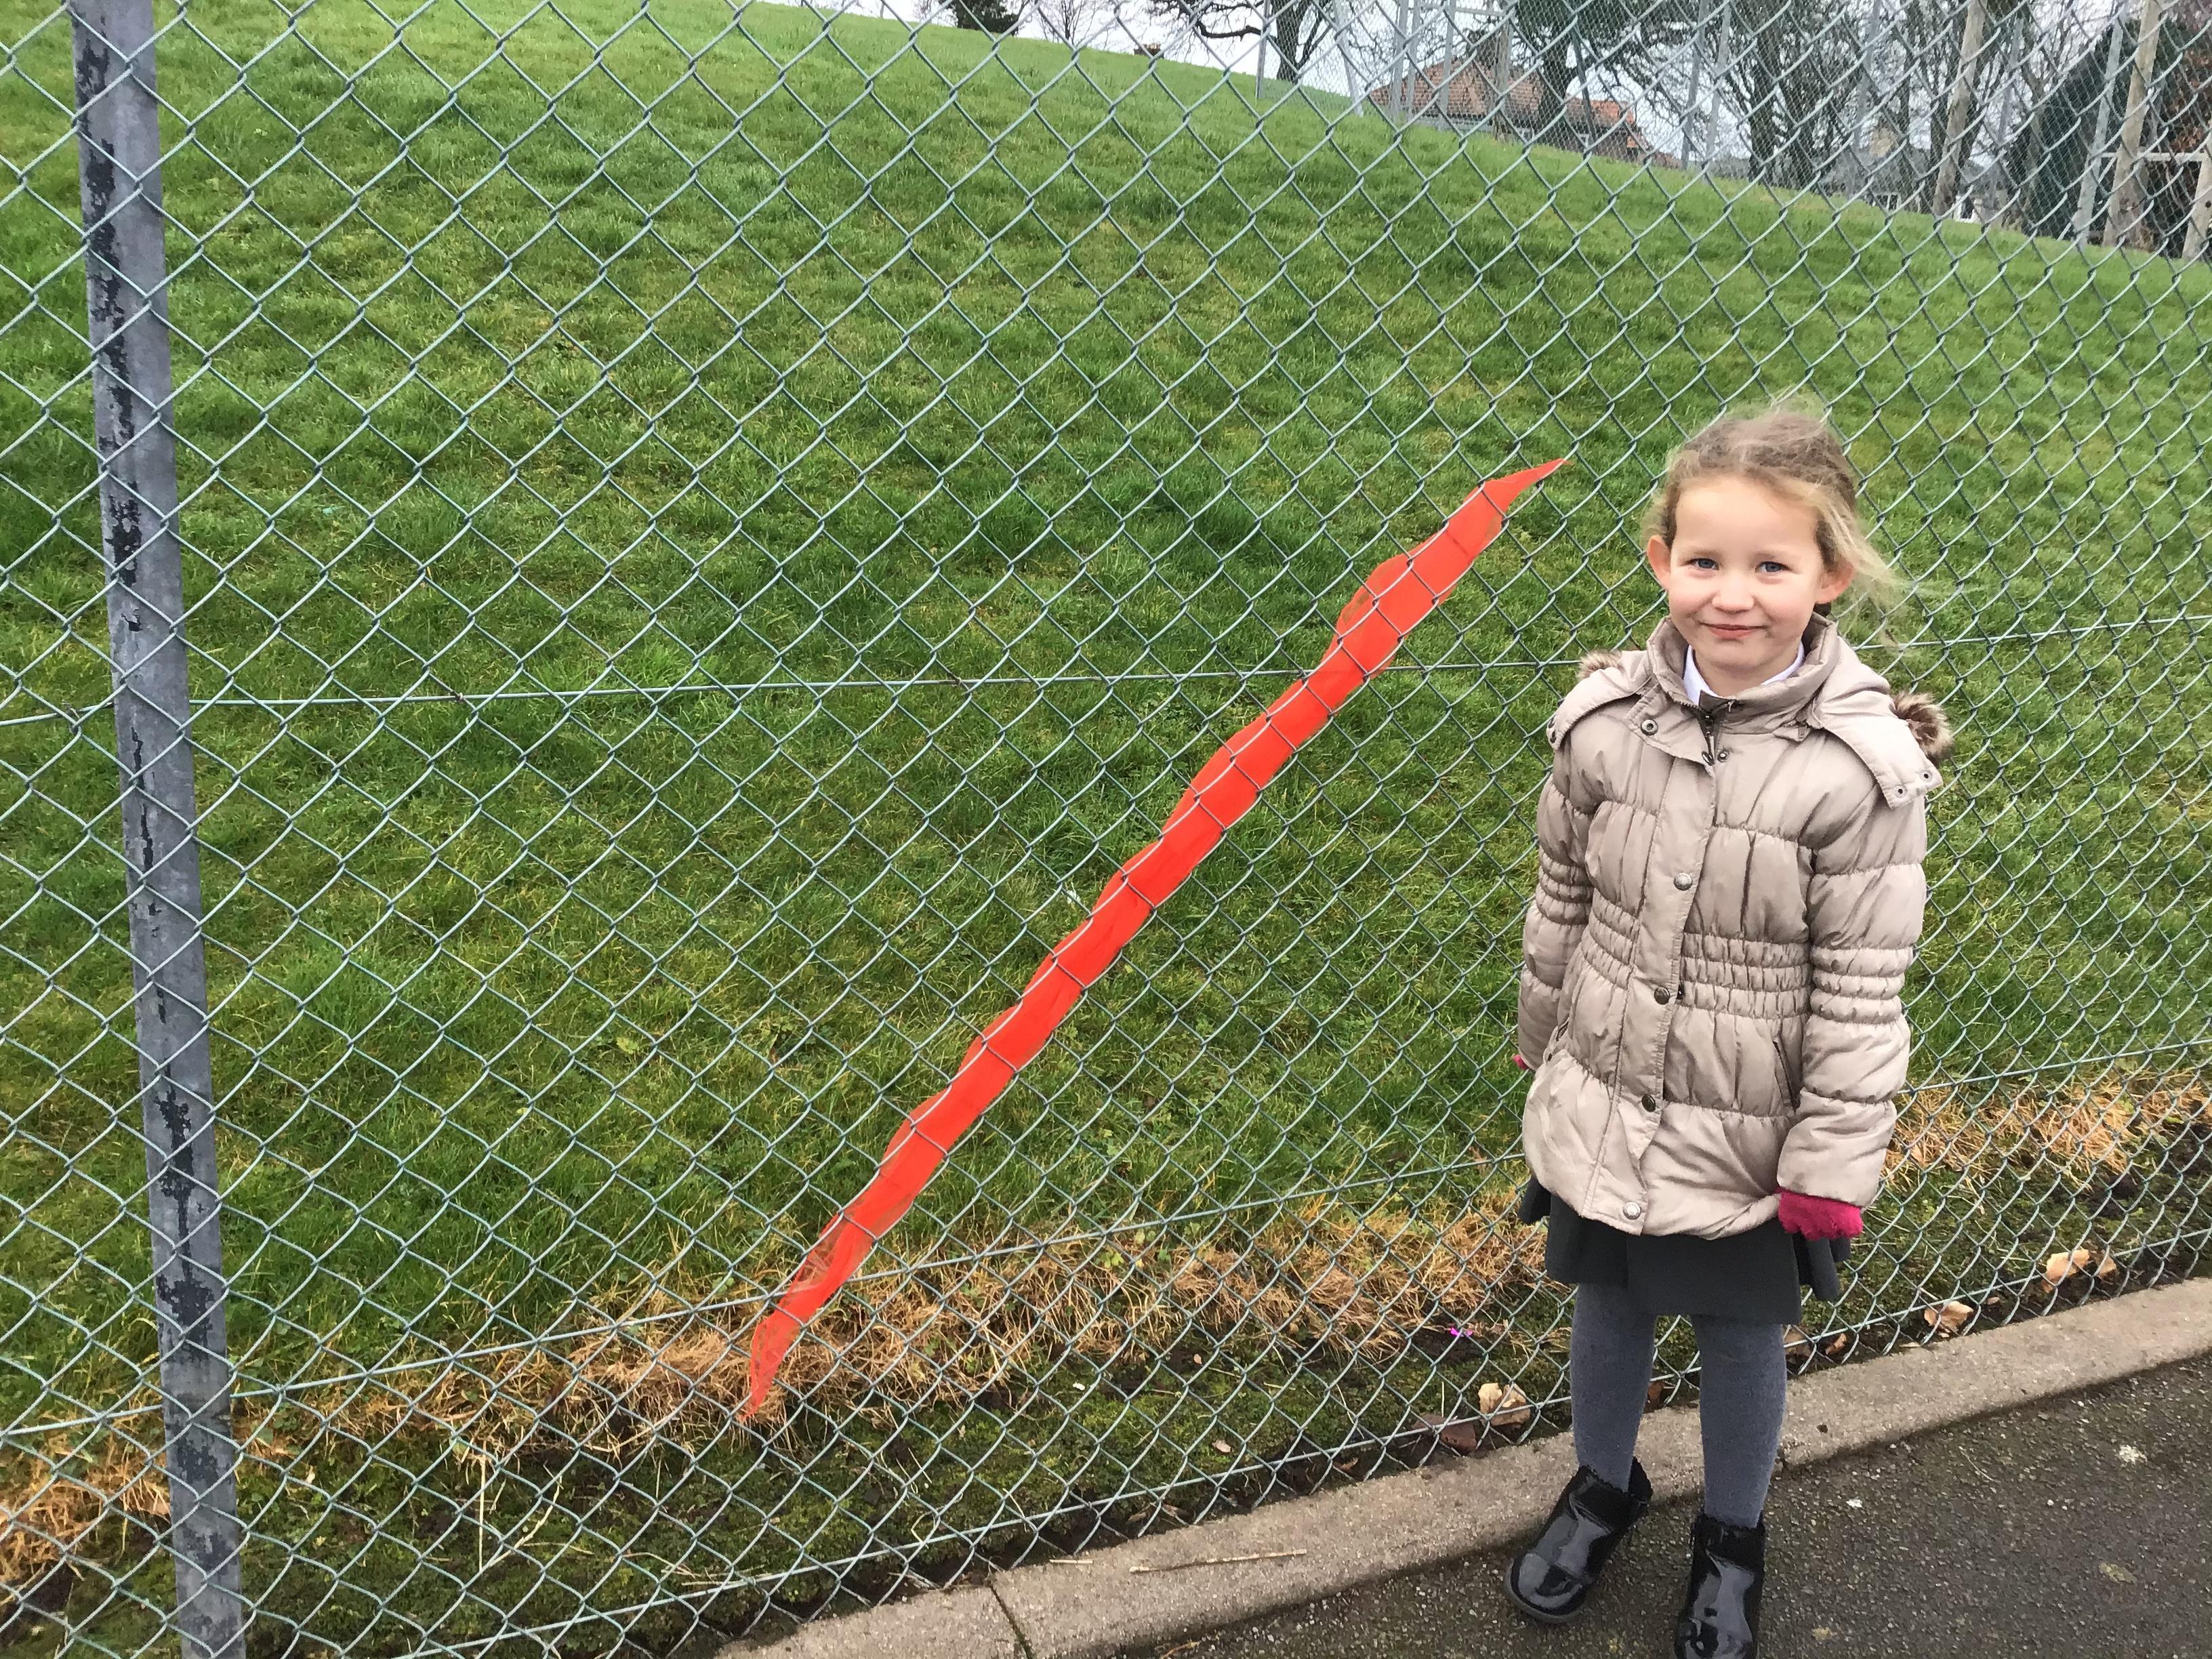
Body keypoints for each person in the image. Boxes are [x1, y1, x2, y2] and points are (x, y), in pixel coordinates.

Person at [1502, 407, 1952, 1658]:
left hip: (1755, 1132)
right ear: (1662, 560)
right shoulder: (1604, 722)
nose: (1734, 595)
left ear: (1830, 575)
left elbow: (1863, 988)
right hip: (1605, 1089)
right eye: (1704, 561)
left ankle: (1734, 1536)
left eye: (1771, 565)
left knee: (1742, 1338)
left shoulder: (1858, 773)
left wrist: (1828, 1163)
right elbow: (1562, 894)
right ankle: (1604, 1486)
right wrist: (1545, 1034)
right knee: (1606, 1307)